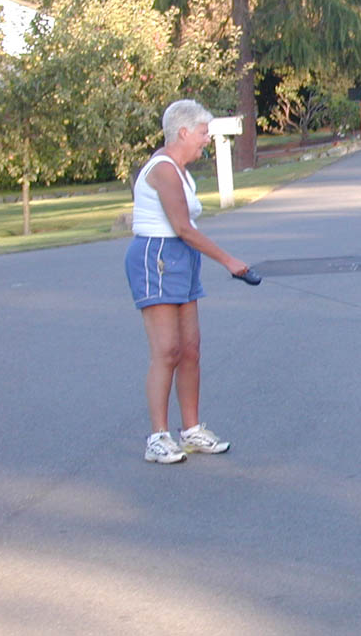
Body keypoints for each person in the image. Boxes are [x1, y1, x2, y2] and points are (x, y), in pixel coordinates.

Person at [124, 99, 250, 464]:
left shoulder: (181, 170)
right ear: (182, 132)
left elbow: (186, 230)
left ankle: (191, 431)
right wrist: (228, 260)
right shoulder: (163, 169)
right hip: (156, 257)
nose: (205, 140)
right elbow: (181, 227)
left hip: (181, 258)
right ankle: (157, 438)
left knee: (190, 349)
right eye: (201, 133)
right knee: (167, 351)